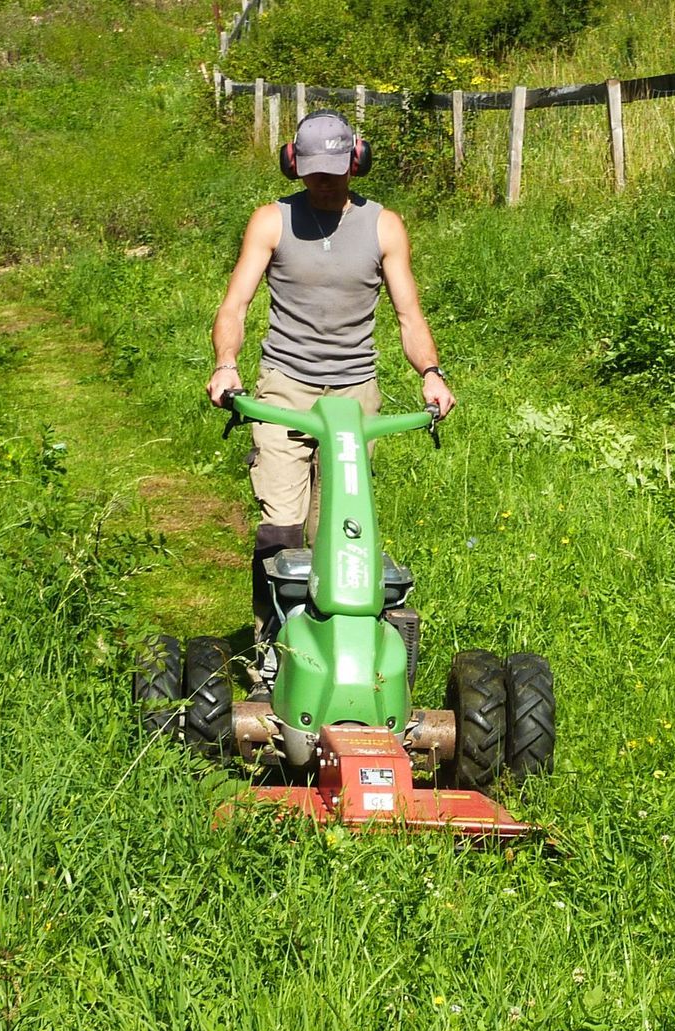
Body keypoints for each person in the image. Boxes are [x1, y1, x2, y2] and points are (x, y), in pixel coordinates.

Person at [204, 110, 455, 687]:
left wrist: (432, 373)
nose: (325, 182)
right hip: (285, 388)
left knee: (338, 533)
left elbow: (408, 315)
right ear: (295, 164)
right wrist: (226, 365)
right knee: (282, 523)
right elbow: (235, 305)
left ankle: (333, 651)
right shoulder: (271, 222)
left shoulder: (384, 226)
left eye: (336, 172)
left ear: (356, 162)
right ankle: (273, 646)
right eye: (314, 172)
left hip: (354, 394)